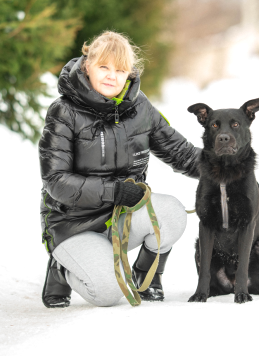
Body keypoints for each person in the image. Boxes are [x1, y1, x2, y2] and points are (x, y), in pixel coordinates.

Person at [39, 31, 201, 308]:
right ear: (87, 65)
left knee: (171, 213)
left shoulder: (140, 108)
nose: (112, 76)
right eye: (104, 67)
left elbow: (181, 153)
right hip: (74, 226)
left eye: (120, 69)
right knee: (107, 294)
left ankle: (145, 276)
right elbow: (57, 181)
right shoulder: (63, 112)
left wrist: (234, 172)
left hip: (122, 218)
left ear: (129, 73)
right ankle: (63, 268)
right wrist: (113, 191)